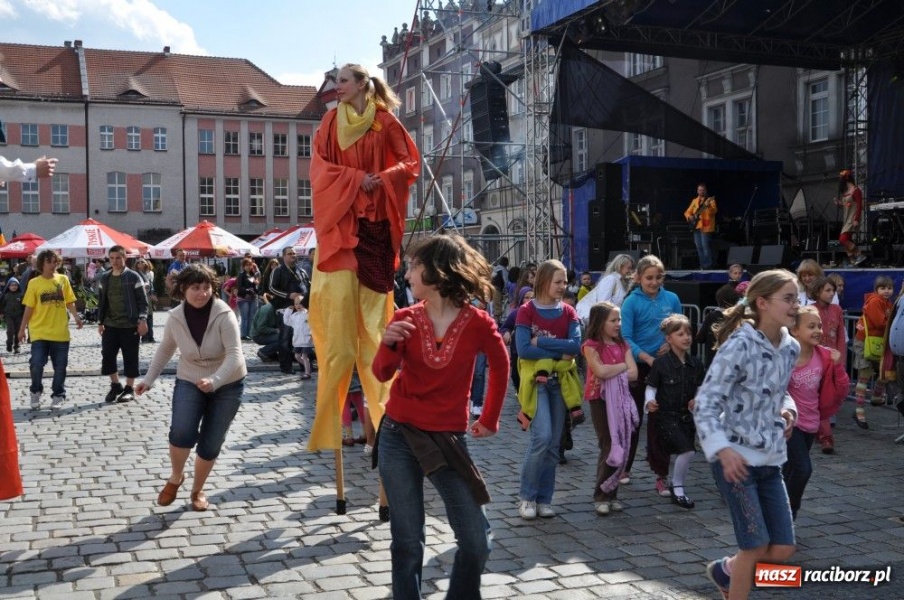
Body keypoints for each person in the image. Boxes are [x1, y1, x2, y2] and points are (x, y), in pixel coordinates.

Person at [373, 235, 508, 599]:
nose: (408, 275)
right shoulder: (404, 317)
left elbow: (500, 364)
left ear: (434, 272)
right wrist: (387, 343)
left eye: (414, 267)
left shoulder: (477, 322)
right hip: (399, 436)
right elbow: (382, 374)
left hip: (448, 439)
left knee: (476, 542)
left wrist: (490, 418)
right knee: (407, 540)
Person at [307, 63, 419, 452]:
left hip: (374, 228)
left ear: (361, 85)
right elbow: (320, 169)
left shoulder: (384, 122)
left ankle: (387, 421)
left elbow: (410, 163)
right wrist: (356, 180)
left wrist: (383, 177)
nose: (336, 87)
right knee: (338, 330)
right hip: (341, 227)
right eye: (335, 81)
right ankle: (331, 426)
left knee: (374, 328)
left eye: (341, 81)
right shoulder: (328, 124)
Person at [694, 269, 800, 600]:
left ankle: (726, 570)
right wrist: (722, 450)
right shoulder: (739, 345)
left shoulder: (790, 347)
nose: (796, 306)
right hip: (736, 459)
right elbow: (706, 402)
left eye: (797, 298)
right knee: (754, 546)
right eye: (788, 299)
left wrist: (788, 411)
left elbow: (781, 391)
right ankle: (736, 584)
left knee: (781, 549)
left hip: (771, 458)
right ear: (762, 303)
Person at [135, 264, 246, 512]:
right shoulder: (176, 316)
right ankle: (176, 477)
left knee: (211, 441)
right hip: (190, 379)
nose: (202, 293)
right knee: (182, 431)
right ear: (183, 289)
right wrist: (149, 379)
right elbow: (166, 349)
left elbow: (235, 354)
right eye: (195, 287)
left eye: (206, 287)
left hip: (227, 383)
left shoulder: (223, 313)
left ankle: (198, 490)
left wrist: (215, 380)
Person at [515, 259, 581, 520]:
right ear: (543, 281)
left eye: (565, 281)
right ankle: (527, 497)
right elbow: (523, 350)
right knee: (541, 438)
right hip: (536, 383)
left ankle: (544, 499)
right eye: (558, 281)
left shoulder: (568, 312)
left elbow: (575, 346)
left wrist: (540, 340)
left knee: (554, 444)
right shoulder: (526, 311)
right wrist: (557, 351)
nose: (563, 286)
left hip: (560, 384)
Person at [620, 255, 682, 492]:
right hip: (639, 365)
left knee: (660, 420)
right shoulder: (631, 303)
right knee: (634, 418)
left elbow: (680, 326)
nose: (654, 282)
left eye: (658, 277)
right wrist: (645, 357)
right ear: (638, 278)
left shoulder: (672, 298)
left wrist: (672, 343)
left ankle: (661, 474)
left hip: (665, 365)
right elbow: (625, 337)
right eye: (649, 278)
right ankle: (624, 466)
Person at [783, 306, 849, 521]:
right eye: (811, 326)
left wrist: (838, 365)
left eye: (819, 325)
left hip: (813, 422)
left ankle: (774, 511)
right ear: (795, 331)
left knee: (788, 471)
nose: (818, 330)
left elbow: (841, 388)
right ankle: (788, 516)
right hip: (790, 423)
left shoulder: (825, 356)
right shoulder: (786, 358)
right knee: (803, 469)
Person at [582, 301, 638, 515]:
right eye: (613, 320)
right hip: (599, 399)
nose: (618, 324)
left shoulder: (623, 345)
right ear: (600, 322)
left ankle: (612, 492)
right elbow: (600, 372)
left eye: (619, 320)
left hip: (621, 398)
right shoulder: (591, 345)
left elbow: (634, 374)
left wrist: (617, 368)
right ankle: (601, 495)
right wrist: (623, 367)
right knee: (608, 444)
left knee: (622, 442)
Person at [644, 314, 704, 509]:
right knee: (687, 451)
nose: (686, 338)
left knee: (685, 451)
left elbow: (702, 387)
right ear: (669, 339)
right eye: (680, 334)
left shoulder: (696, 363)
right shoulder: (661, 363)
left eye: (688, 333)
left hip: (686, 418)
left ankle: (674, 483)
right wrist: (649, 401)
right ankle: (677, 488)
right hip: (666, 417)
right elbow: (651, 386)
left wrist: (699, 399)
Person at [19, 250, 84, 410]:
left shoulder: (63, 280)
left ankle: (58, 394)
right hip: (39, 331)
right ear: (42, 264)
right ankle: (35, 390)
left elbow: (70, 301)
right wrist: (22, 329)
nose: (53, 265)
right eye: (49, 262)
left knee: (60, 366)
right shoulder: (34, 283)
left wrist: (76, 316)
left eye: (55, 262)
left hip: (60, 332)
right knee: (36, 363)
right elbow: (28, 307)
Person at [97, 245, 149, 404]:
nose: (115, 261)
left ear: (124, 258)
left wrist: (142, 320)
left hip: (130, 324)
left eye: (118, 258)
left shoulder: (133, 276)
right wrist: (100, 321)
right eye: (111, 258)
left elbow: (143, 301)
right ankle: (115, 385)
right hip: (110, 324)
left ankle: (129, 389)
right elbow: (102, 302)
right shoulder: (105, 277)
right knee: (107, 356)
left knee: (130, 357)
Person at [809, 276, 846, 454]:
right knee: (816, 396)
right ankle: (826, 437)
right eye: (827, 290)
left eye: (833, 290)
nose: (832, 294)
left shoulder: (837, 310)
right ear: (817, 292)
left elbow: (840, 336)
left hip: (832, 359)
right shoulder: (810, 310)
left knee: (827, 396)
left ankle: (819, 431)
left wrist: (840, 359)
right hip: (815, 358)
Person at [852, 275, 894, 428]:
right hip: (864, 341)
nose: (886, 291)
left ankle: (876, 396)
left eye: (889, 288)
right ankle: (859, 411)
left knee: (885, 372)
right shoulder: (875, 301)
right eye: (883, 288)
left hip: (877, 343)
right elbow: (880, 322)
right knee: (864, 374)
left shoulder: (888, 303)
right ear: (877, 290)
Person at [267, 247, 309, 374]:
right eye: (290, 254)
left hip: (302, 311)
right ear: (283, 256)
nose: (293, 256)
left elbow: (308, 286)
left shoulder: (301, 271)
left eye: (294, 254)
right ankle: (286, 368)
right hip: (285, 310)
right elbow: (271, 288)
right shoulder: (278, 270)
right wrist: (288, 295)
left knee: (303, 339)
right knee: (285, 339)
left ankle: (305, 366)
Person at [576, 254, 634, 322]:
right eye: (629, 268)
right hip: (593, 319)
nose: (631, 271)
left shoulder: (620, 281)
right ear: (620, 267)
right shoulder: (611, 279)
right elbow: (603, 304)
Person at [695, 284, 741, 371]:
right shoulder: (739, 317)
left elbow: (700, 338)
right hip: (733, 364)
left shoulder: (712, 316)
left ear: (718, 299)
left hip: (713, 363)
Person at [835, 169, 866, 266]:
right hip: (847, 218)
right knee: (846, 240)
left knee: (842, 239)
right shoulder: (846, 192)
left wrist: (856, 219)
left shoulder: (856, 190)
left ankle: (858, 254)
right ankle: (853, 261)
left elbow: (860, 206)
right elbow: (847, 204)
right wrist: (839, 203)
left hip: (852, 218)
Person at [684, 183, 717, 270]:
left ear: (705, 191)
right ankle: (702, 265)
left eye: (702, 190)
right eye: (699, 190)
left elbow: (714, 211)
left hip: (705, 226)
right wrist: (689, 216)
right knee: (699, 247)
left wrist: (708, 206)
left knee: (705, 246)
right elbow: (687, 212)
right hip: (696, 226)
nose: (701, 192)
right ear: (697, 191)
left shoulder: (710, 200)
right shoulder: (694, 201)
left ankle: (708, 266)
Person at [283, 294, 313, 380]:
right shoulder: (294, 316)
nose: (298, 305)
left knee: (304, 356)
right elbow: (287, 321)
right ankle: (308, 367)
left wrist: (311, 334)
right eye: (296, 304)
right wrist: (288, 311)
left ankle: (307, 373)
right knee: (297, 356)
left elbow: (313, 324)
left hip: (306, 340)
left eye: (300, 303)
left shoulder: (308, 314)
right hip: (297, 340)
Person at [251, 293, 280, 362]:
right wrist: (276, 330)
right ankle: (263, 352)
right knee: (282, 338)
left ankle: (272, 354)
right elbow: (260, 328)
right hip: (258, 335)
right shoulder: (267, 310)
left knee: (285, 337)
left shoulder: (276, 309)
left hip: (265, 333)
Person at [236, 258, 259, 341]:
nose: (249, 267)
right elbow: (240, 287)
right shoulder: (241, 275)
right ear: (243, 266)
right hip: (243, 298)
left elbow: (256, 288)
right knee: (245, 317)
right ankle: (243, 335)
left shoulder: (253, 275)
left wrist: (256, 287)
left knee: (252, 317)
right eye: (247, 265)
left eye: (250, 265)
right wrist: (248, 290)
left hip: (253, 298)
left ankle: (250, 334)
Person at [0, 277, 25, 354]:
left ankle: (17, 346)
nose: (14, 287)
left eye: (15, 285)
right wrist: (1, 313)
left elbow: (24, 306)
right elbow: (1, 305)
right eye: (12, 285)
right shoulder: (5, 295)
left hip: (19, 315)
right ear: (8, 286)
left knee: (18, 331)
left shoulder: (21, 295)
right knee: (10, 330)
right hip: (9, 315)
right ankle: (9, 343)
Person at [135, 259, 157, 343]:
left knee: (150, 316)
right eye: (138, 262)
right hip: (140, 297)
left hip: (148, 296)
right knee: (143, 316)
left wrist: (153, 294)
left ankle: (150, 336)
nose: (140, 263)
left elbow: (151, 285)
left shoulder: (149, 274)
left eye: (142, 262)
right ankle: (144, 336)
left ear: (146, 264)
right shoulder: (135, 274)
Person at [490, 256, 509, 322]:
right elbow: (506, 281)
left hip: (491, 289)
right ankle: (496, 323)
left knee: (493, 307)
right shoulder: (503, 270)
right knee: (497, 308)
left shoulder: (495, 269)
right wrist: (506, 291)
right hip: (497, 290)